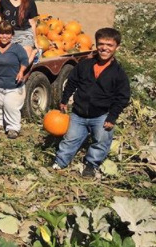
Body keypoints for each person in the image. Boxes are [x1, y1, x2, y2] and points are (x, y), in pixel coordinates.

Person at [52, 27, 130, 177]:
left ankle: (91, 165)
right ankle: (60, 163)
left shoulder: (119, 74)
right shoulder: (85, 65)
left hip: (101, 115)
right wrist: (64, 99)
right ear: (96, 44)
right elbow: (72, 82)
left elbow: (122, 97)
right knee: (70, 139)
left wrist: (112, 117)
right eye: (101, 44)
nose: (104, 48)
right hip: (78, 113)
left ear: (117, 47)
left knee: (101, 141)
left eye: (109, 45)